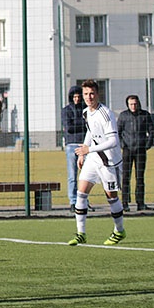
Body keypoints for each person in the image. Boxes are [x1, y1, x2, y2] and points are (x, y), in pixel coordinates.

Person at [67, 79, 126, 246]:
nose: (88, 97)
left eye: (92, 93)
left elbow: (113, 141)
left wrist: (89, 150)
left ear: (98, 94)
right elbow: (91, 132)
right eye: (85, 94)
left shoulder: (106, 113)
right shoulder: (86, 112)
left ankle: (119, 230)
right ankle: (81, 233)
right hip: (93, 159)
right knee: (81, 193)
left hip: (109, 162)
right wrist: (83, 153)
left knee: (111, 198)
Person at [117, 95, 154, 212]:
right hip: (127, 150)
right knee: (125, 177)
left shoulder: (145, 115)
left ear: (138, 104)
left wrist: (147, 144)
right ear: (127, 105)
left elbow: (151, 131)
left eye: (135, 104)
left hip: (140, 150)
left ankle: (140, 202)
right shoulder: (123, 116)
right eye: (131, 104)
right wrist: (123, 145)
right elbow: (118, 132)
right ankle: (125, 203)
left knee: (140, 177)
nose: (133, 106)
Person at [61, 85, 87, 213]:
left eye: (78, 96)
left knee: (85, 175)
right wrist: (81, 123)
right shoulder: (66, 110)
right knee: (72, 175)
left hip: (84, 145)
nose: (76, 99)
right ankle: (72, 201)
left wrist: (77, 123)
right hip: (71, 145)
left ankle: (83, 201)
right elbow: (69, 127)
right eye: (74, 97)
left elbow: (89, 126)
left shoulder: (85, 110)